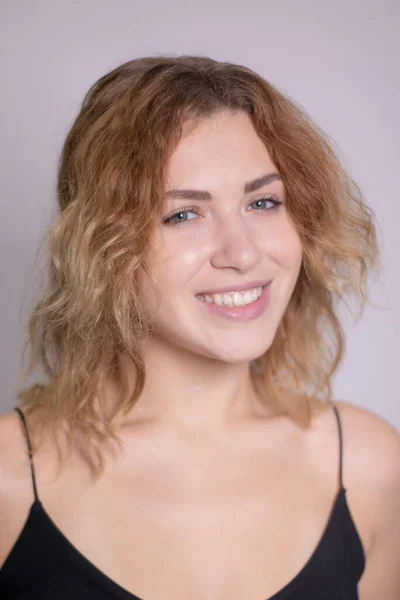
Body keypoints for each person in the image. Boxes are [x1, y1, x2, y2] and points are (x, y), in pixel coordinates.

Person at [0, 55, 399, 599]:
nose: (242, 252)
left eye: (263, 201)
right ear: (101, 246)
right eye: (183, 214)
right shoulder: (10, 478)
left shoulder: (369, 464)